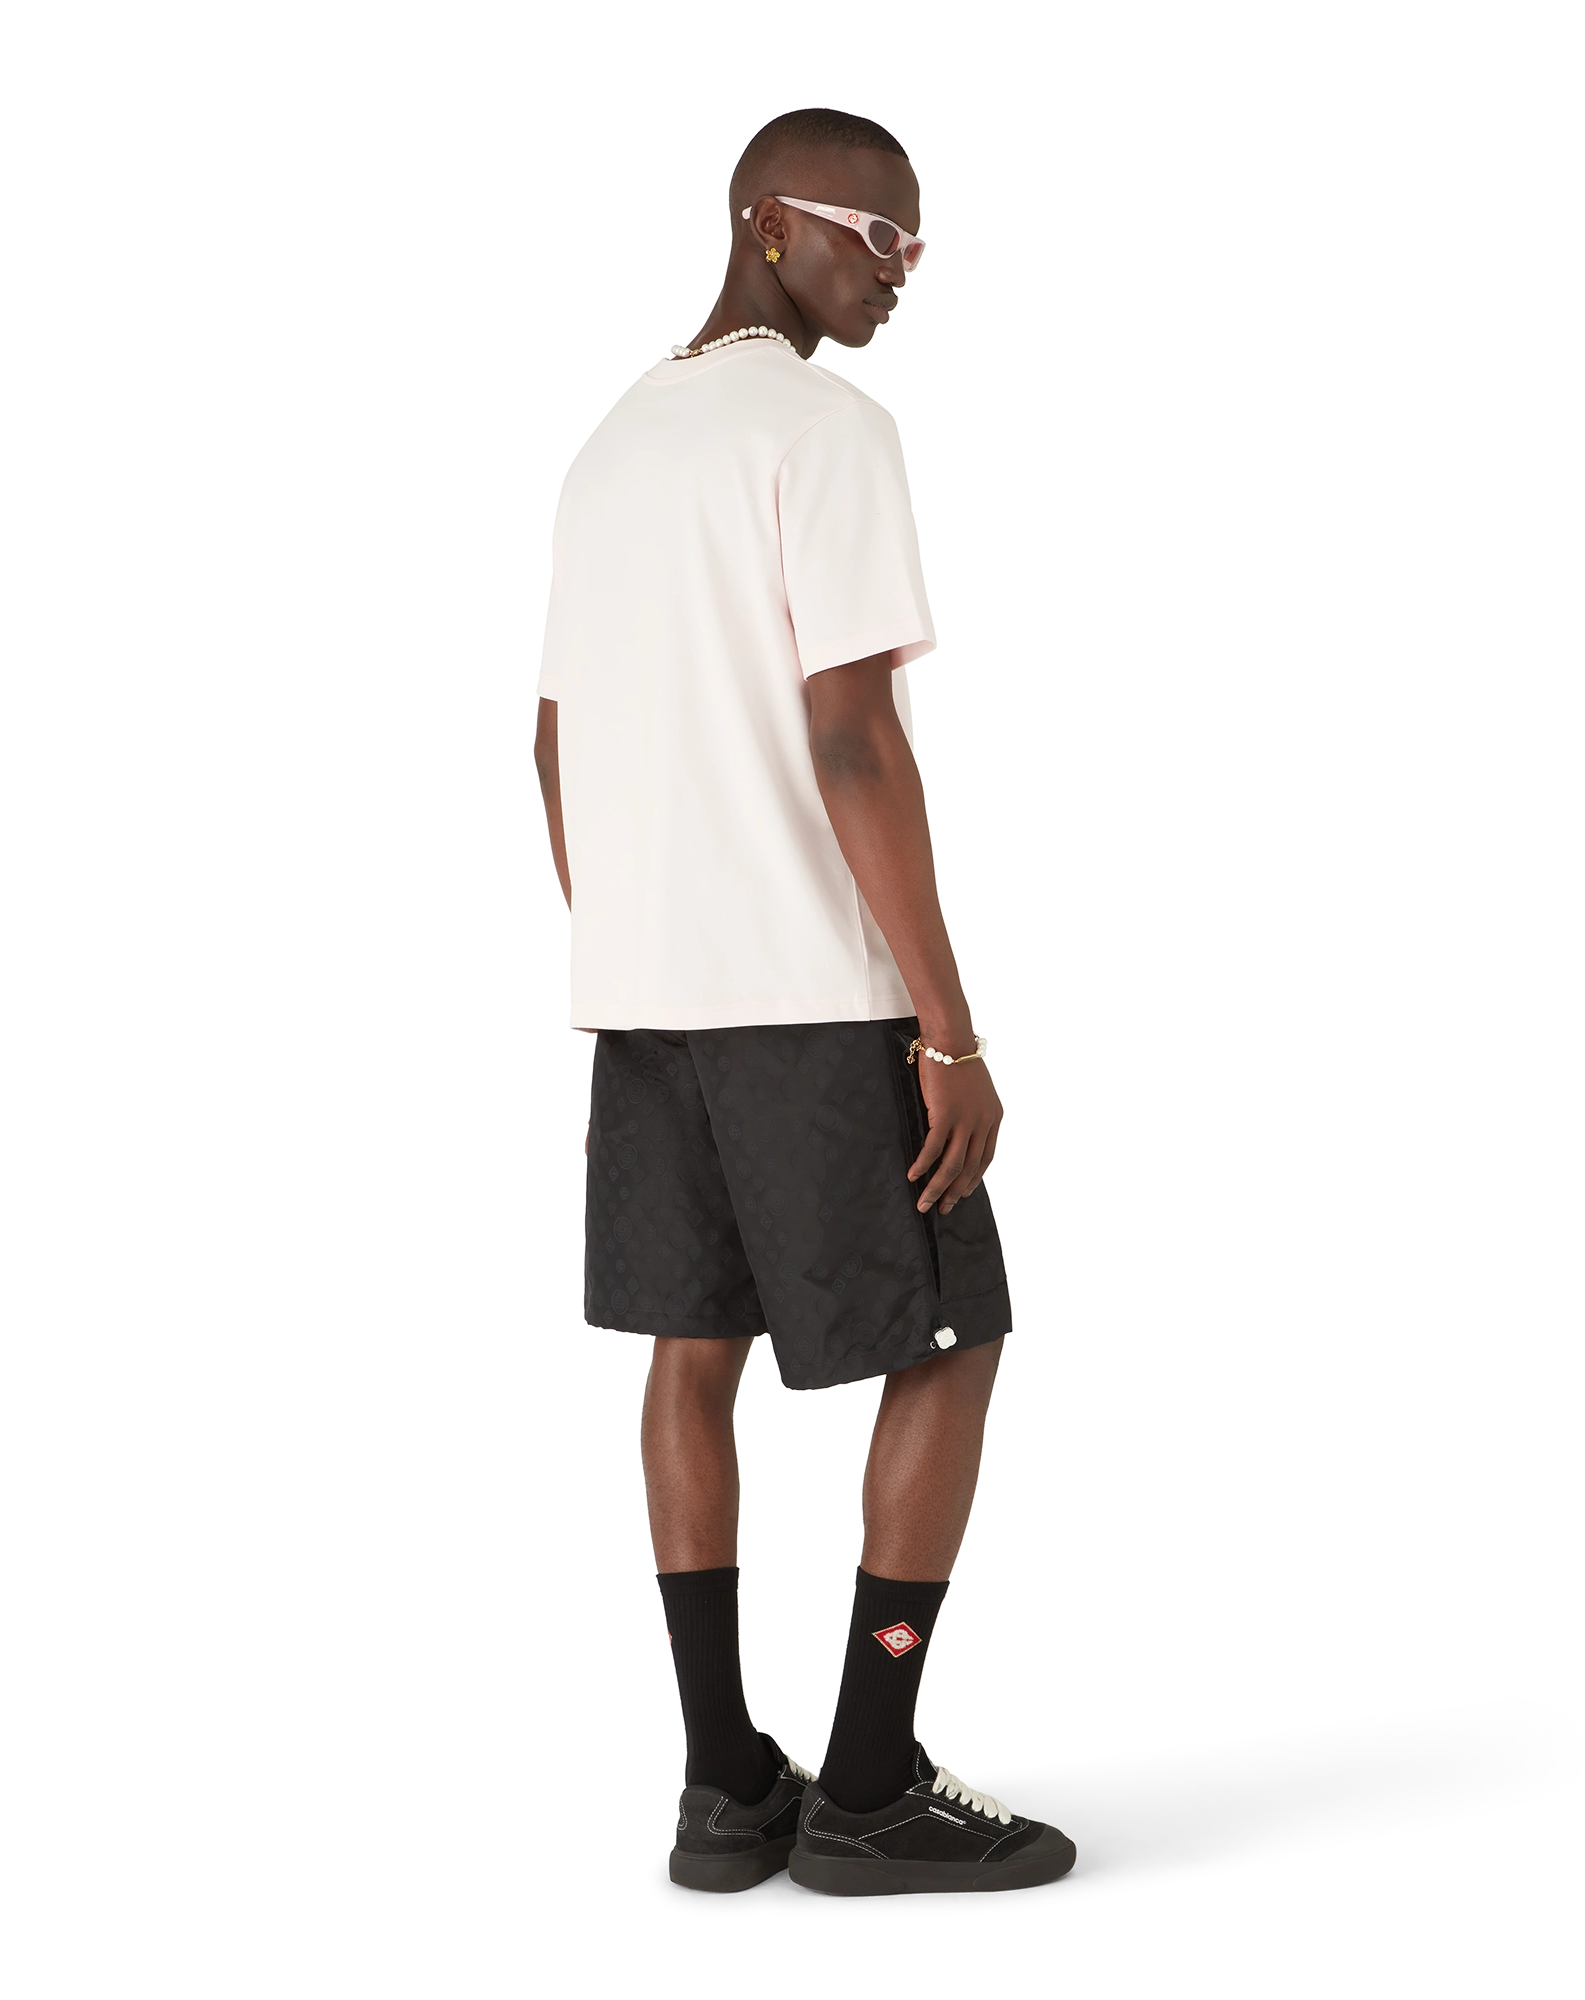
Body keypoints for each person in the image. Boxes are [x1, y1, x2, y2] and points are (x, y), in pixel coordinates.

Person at [532, 106, 1075, 1898]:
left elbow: (552, 737)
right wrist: (947, 1027)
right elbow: (853, 736)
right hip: (812, 1000)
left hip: (648, 1001)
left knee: (693, 1353)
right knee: (952, 1338)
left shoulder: (612, 444)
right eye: (873, 232)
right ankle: (870, 1778)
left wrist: (626, 925)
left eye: (917, 244)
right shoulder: (821, 429)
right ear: (770, 223)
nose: (897, 271)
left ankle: (721, 1788)